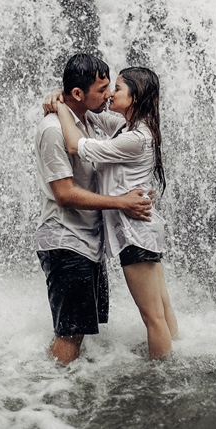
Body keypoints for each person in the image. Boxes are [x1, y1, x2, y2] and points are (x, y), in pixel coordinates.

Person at [48, 66, 179, 359]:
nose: (110, 94)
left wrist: (59, 107)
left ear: (135, 96)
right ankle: (174, 358)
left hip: (136, 234)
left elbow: (74, 144)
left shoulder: (135, 138)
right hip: (144, 229)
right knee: (163, 307)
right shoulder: (126, 127)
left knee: (152, 317)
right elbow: (87, 112)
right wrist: (64, 97)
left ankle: (163, 378)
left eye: (117, 88)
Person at [33, 53, 153, 365]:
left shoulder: (85, 119)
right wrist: (122, 202)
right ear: (77, 93)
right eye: (102, 89)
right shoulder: (53, 129)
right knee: (70, 333)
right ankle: (48, 394)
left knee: (78, 330)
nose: (109, 94)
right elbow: (65, 194)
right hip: (66, 240)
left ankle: (61, 393)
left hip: (87, 243)